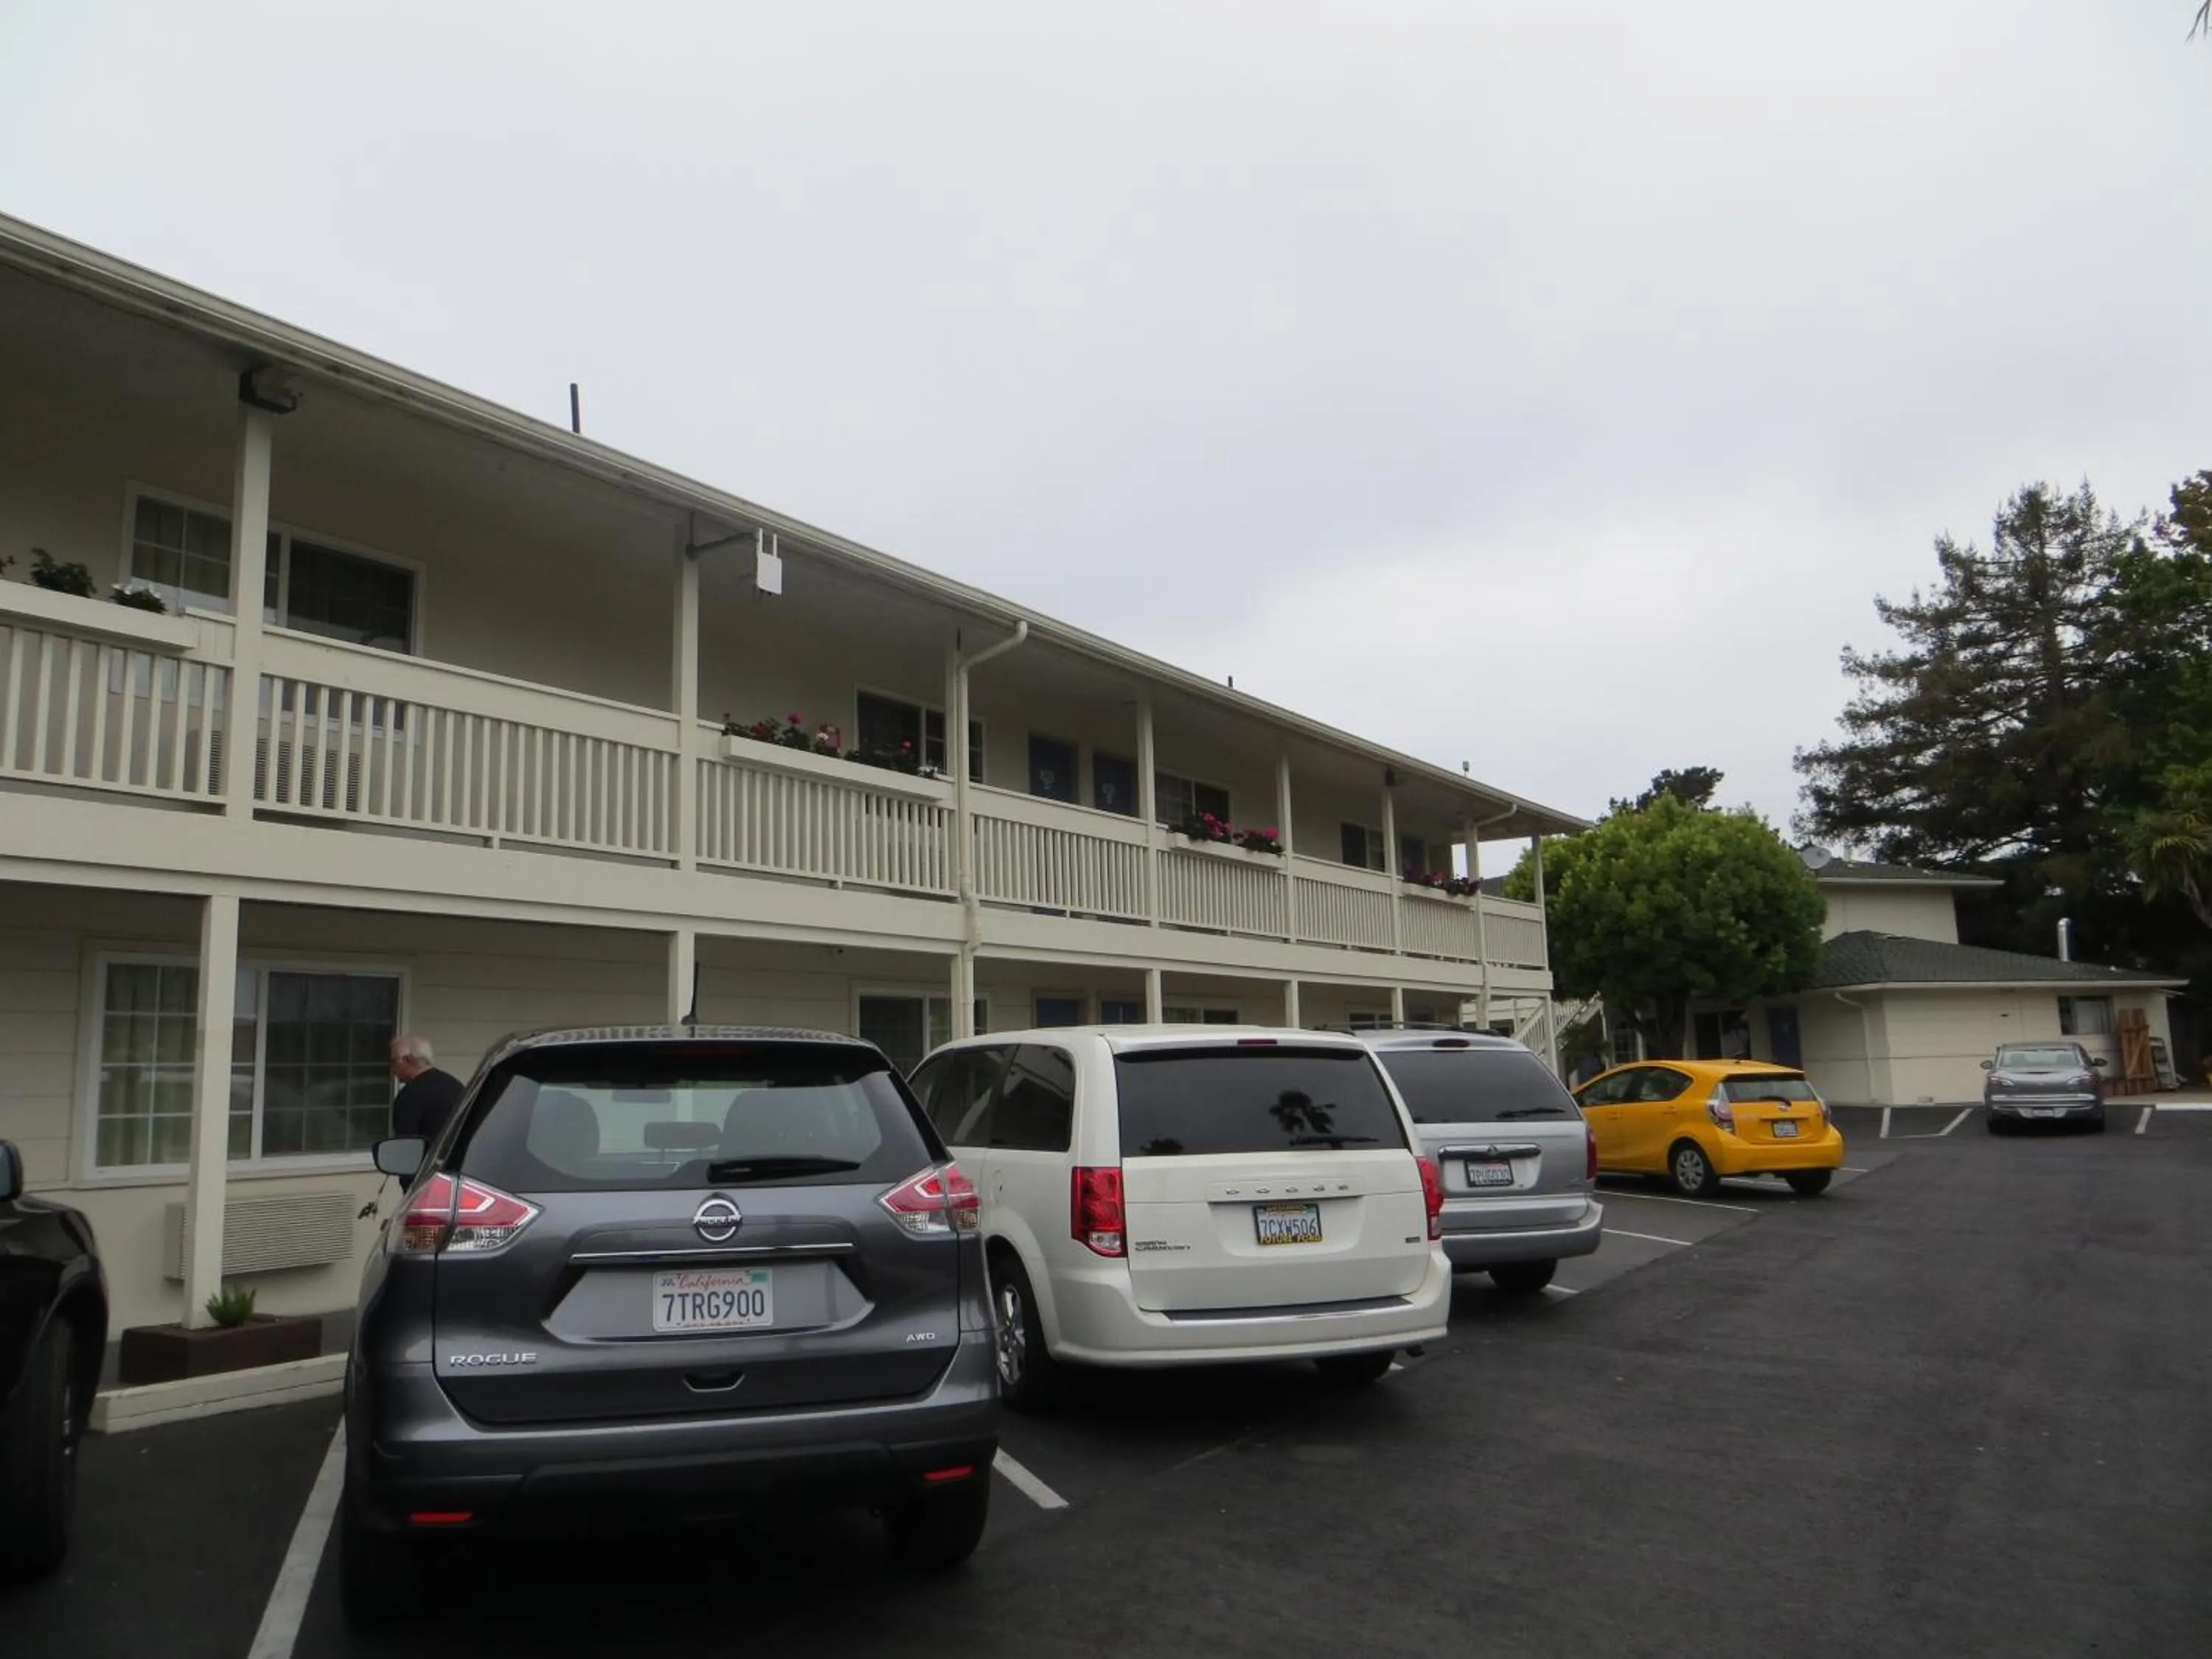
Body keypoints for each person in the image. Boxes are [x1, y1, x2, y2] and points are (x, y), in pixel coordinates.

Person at [389, 1034, 465, 1145]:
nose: (392, 1067)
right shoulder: (455, 1085)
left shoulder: (409, 1096)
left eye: (394, 1061)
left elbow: (405, 1146)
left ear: (408, 1060)